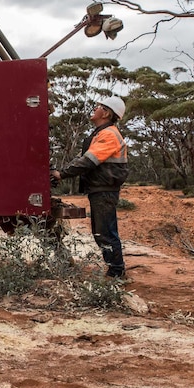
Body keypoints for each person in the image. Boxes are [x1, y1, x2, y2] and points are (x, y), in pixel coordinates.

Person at [51, 96, 129, 279]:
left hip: (104, 190)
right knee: (103, 231)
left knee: (105, 232)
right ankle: (115, 270)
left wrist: (62, 174)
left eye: (99, 107)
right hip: (100, 188)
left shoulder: (109, 134)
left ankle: (116, 273)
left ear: (107, 113)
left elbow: (88, 161)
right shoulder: (100, 134)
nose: (95, 108)